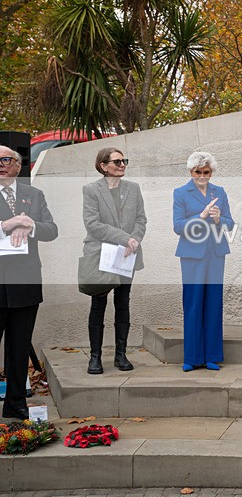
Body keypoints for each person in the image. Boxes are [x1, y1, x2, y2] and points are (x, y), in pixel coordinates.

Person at [0, 146, 58, 419]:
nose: (0, 164)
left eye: (5, 159)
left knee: (19, 346)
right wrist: (6, 225)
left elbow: (51, 230)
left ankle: (15, 406)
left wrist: (30, 225)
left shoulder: (34, 195)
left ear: (18, 166)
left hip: (25, 282)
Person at [82, 148, 147, 374]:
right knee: (98, 304)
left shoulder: (133, 188)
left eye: (124, 161)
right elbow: (92, 223)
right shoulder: (91, 190)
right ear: (103, 165)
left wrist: (135, 240)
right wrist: (125, 238)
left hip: (128, 255)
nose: (122, 165)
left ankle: (121, 355)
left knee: (123, 303)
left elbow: (141, 219)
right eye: (117, 161)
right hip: (101, 253)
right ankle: (95, 357)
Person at [173, 152, 234, 372]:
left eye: (206, 172)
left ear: (211, 172)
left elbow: (230, 224)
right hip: (192, 256)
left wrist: (219, 219)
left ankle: (212, 356)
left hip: (215, 253)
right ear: (191, 171)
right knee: (193, 304)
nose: (202, 176)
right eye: (198, 172)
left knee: (213, 303)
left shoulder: (220, 192)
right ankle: (192, 356)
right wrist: (201, 216)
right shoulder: (181, 192)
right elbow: (178, 226)